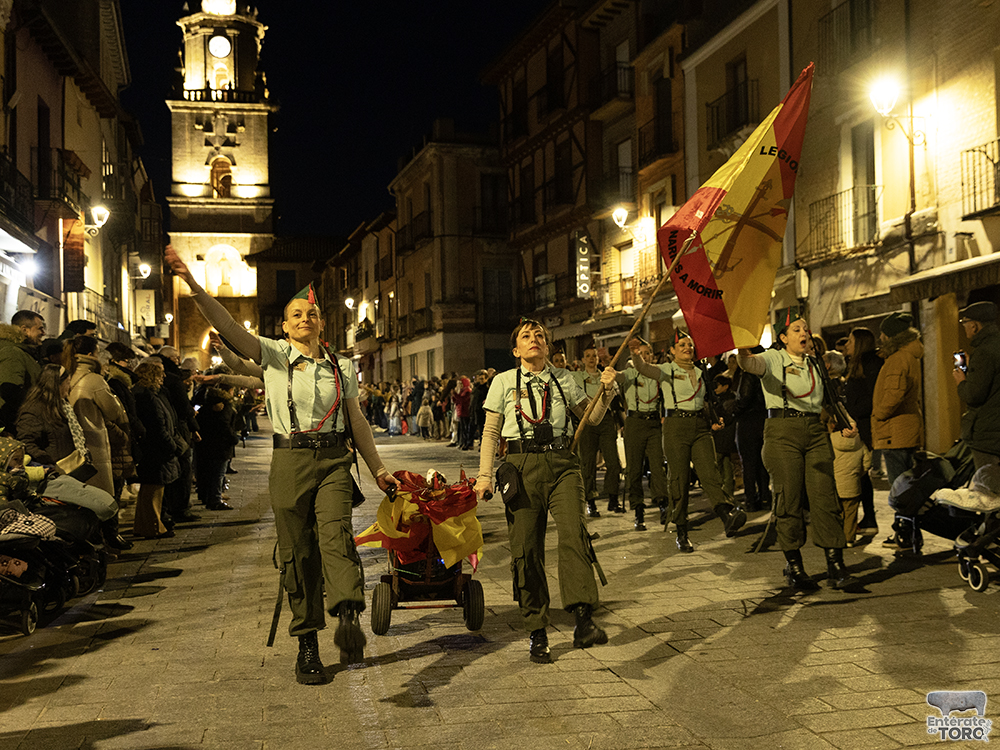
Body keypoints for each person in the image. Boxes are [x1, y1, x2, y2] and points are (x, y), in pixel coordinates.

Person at [166, 245, 398, 685]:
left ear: (322, 322)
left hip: (333, 460)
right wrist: (193, 285)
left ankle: (348, 609)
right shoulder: (272, 355)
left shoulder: (339, 364)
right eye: (296, 315)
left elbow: (358, 421)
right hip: (290, 460)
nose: (304, 320)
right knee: (298, 553)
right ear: (284, 326)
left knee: (337, 534)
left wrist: (380, 470)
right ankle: (307, 642)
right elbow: (229, 326)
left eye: (310, 314)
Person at [474, 318, 615, 663]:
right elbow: (491, 433)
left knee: (573, 535)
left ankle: (583, 619)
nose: (534, 339)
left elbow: (590, 418)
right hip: (521, 468)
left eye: (540, 335)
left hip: (563, 463)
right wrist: (484, 476)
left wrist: (607, 390)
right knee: (526, 549)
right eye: (526, 336)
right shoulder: (503, 382)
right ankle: (537, 629)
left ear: (548, 347)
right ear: (516, 349)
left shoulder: (564, 378)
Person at [737, 307, 857, 590]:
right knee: (788, 498)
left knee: (825, 497)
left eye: (805, 329)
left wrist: (846, 421)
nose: (804, 333)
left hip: (815, 431)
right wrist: (743, 348)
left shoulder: (815, 363)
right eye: (796, 330)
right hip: (782, 432)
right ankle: (794, 565)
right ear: (782, 337)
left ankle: (835, 563)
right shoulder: (773, 358)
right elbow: (749, 365)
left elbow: (830, 397)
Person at [627, 333, 746, 551]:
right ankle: (681, 531)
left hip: (700, 427)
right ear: (671, 350)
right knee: (679, 479)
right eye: (682, 344)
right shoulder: (665, 370)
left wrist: (714, 418)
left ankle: (725, 515)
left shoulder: (701, 372)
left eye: (690, 344)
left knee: (710, 473)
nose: (687, 347)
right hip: (675, 427)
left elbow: (706, 399)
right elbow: (644, 368)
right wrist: (635, 355)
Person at [871, 311, 923, 519]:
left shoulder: (898, 358)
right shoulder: (909, 356)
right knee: (906, 485)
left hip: (895, 431)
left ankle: (903, 531)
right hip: (905, 429)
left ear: (891, 336)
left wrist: (879, 414)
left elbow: (894, 394)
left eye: (883, 334)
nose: (881, 338)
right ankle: (909, 531)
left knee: (899, 488)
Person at [64, 336, 129, 499]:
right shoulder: (94, 380)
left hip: (72, 446)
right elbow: (114, 412)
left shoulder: (65, 375)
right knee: (102, 499)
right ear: (91, 353)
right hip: (95, 445)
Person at [615, 339, 668, 528]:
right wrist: (608, 372)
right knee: (634, 470)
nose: (645, 356)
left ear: (653, 355)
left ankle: (663, 504)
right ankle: (638, 510)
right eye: (641, 353)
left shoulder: (658, 374)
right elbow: (618, 376)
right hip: (635, 423)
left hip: (653, 424)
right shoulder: (630, 373)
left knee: (658, 467)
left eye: (648, 353)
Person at [131, 360, 181, 540]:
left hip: (153, 449)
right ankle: (153, 527)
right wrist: (172, 446)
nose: (164, 377)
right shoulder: (147, 397)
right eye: (160, 374)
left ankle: (143, 525)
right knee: (153, 491)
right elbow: (157, 426)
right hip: (155, 451)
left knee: (150, 489)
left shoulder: (150, 394)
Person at [573, 345, 621, 519]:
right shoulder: (577, 377)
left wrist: (620, 422)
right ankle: (590, 501)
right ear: (583, 360)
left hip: (606, 421)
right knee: (588, 464)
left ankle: (613, 498)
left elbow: (615, 399)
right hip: (587, 422)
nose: (591, 358)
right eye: (588, 355)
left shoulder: (605, 376)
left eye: (594, 355)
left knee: (613, 462)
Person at [843, 327, 882, 534]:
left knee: (862, 472)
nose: (846, 345)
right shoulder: (856, 364)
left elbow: (873, 396)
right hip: (858, 423)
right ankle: (867, 518)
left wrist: (853, 411)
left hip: (865, 425)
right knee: (860, 473)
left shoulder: (870, 363)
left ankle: (869, 518)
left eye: (850, 341)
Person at [823, 350, 864, 546]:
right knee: (851, 511)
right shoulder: (857, 440)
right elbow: (867, 459)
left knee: (837, 509)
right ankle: (849, 537)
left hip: (837, 485)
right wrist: (860, 472)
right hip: (853, 485)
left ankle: (838, 536)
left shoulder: (832, 441)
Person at [955, 301, 1000, 469]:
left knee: (988, 487)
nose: (964, 327)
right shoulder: (994, 346)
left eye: (964, 323)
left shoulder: (984, 352)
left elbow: (974, 395)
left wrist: (962, 382)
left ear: (974, 326)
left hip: (988, 435)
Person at [731, 349, 772, 512]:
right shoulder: (767, 369)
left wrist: (735, 409)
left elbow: (745, 396)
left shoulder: (749, 371)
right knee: (762, 462)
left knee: (748, 462)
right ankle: (764, 497)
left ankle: (750, 499)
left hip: (749, 420)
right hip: (764, 418)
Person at [0, 311, 45, 434]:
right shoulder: (12, 352)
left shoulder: (23, 352)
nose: (43, 333)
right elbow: (11, 392)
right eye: (40, 329)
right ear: (25, 330)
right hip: (14, 426)